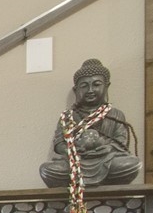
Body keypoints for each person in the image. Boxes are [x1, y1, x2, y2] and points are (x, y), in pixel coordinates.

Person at [38, 58, 140, 188]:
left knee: (131, 164)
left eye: (96, 84)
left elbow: (121, 141)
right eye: (84, 86)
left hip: (107, 160)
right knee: (47, 169)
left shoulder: (115, 114)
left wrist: (107, 148)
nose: (90, 90)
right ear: (76, 90)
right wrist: (72, 151)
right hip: (75, 161)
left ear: (106, 86)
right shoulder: (68, 116)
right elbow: (59, 143)